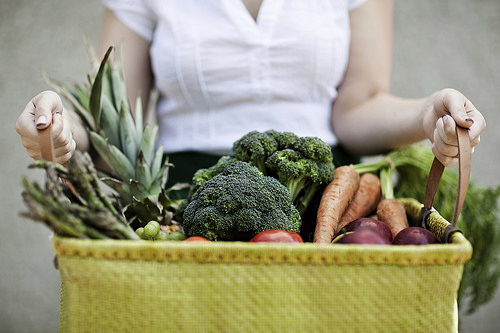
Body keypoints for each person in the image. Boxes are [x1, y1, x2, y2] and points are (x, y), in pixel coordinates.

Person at [15, 0, 485, 186]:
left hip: (322, 199)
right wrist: (61, 129)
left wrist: (428, 115)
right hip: (182, 202)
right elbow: (112, 122)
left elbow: (358, 108)